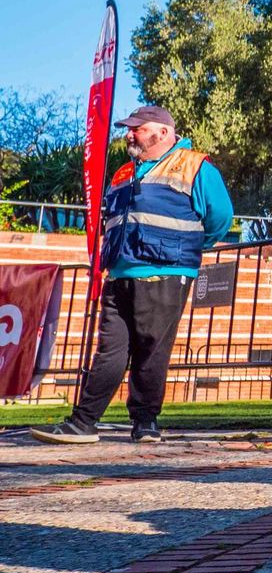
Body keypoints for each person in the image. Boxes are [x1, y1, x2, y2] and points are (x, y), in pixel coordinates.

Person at [32, 105, 234, 445]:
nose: (129, 134)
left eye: (137, 128)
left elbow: (220, 217)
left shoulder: (196, 166)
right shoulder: (123, 173)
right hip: (120, 272)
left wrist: (187, 246)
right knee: (109, 351)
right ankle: (84, 422)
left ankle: (145, 423)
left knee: (151, 351)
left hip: (165, 271)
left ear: (163, 133)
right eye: (129, 128)